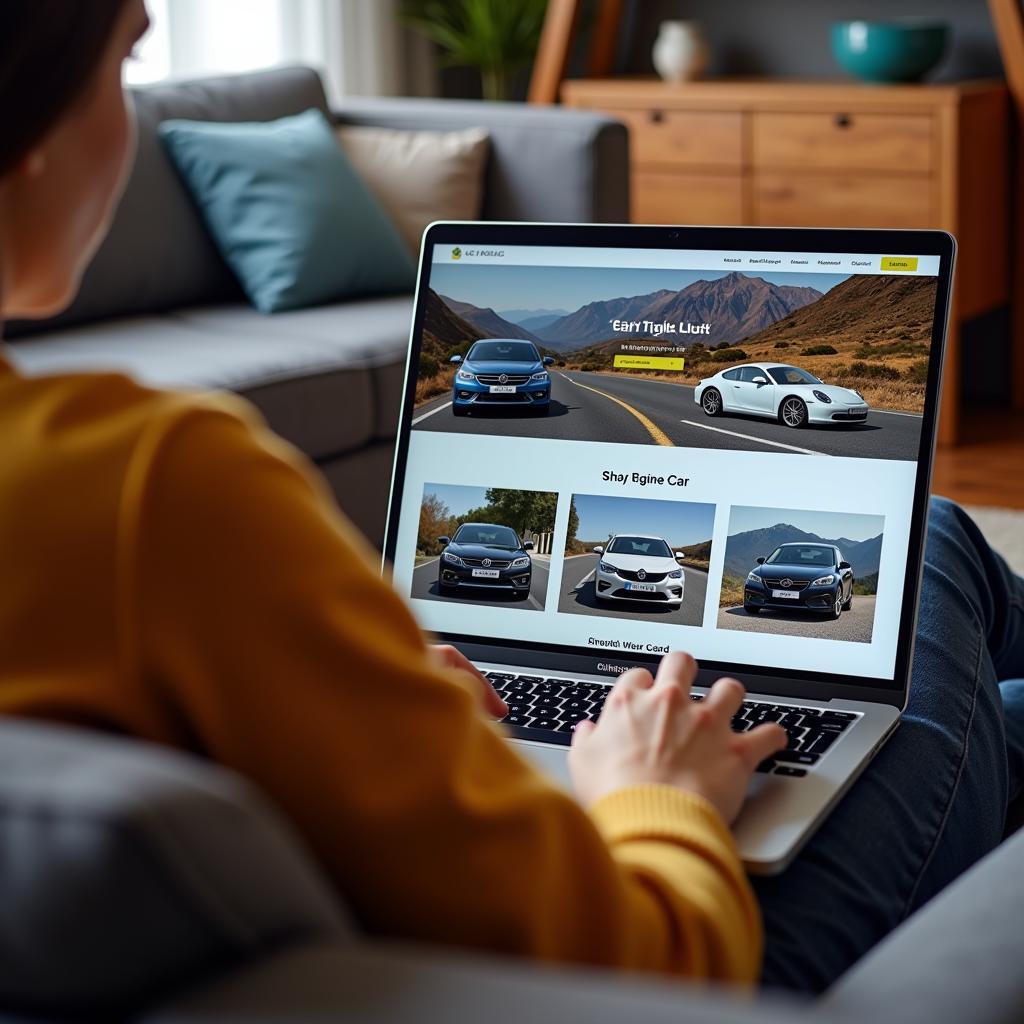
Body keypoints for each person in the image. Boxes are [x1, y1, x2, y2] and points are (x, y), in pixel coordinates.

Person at [0, 0, 1020, 996]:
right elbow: (651, 967)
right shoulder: (160, 488)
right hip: (699, 963)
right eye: (126, 65)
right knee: (934, 543)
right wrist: (659, 793)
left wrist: (383, 705)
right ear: (28, 119)